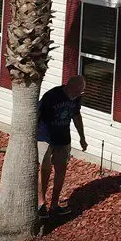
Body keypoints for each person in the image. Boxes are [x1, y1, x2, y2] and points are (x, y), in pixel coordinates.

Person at [38, 75, 88, 215]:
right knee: (45, 168)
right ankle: (41, 204)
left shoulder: (77, 98)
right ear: (70, 87)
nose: (79, 95)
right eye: (78, 92)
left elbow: (76, 116)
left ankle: (54, 204)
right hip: (44, 136)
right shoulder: (52, 95)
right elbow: (37, 113)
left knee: (61, 169)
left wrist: (82, 138)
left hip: (63, 138)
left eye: (81, 93)